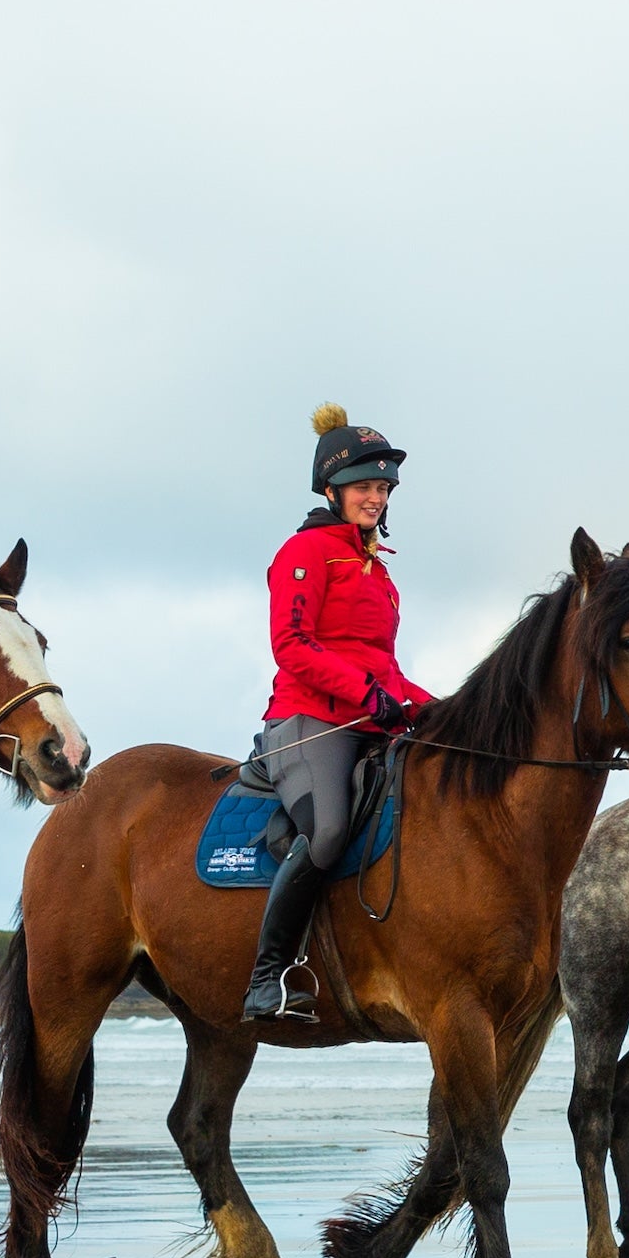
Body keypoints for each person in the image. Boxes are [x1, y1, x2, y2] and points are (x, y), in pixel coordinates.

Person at [241, 403, 439, 1023]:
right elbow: (292, 647)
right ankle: (267, 978)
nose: (375, 498)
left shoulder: (379, 571)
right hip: (308, 721)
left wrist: (438, 710)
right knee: (326, 832)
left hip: (367, 716)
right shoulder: (306, 551)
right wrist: (367, 695)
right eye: (364, 488)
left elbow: (387, 668)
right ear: (332, 490)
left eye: (382, 488)